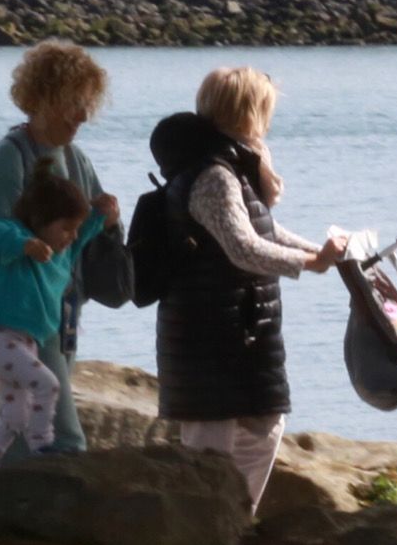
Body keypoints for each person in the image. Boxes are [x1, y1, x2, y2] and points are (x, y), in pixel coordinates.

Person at [145, 66, 344, 510]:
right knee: (209, 448)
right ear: (251, 110)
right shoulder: (212, 174)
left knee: (264, 426)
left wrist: (329, 255)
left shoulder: (234, 163)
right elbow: (242, 248)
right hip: (208, 332)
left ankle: (233, 527)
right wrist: (312, 263)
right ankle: (206, 537)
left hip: (243, 327)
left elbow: (264, 229)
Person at [0, 40, 129, 456]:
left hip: (61, 311)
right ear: (42, 99)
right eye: (73, 103)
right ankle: (50, 510)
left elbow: (85, 230)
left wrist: (109, 216)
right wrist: (18, 245)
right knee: (62, 438)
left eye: (87, 104)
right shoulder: (6, 160)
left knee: (26, 420)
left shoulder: (76, 159)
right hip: (15, 311)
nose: (83, 115)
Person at [0, 166, 106, 475]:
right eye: (66, 227)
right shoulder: (17, 238)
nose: (71, 236)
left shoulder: (62, 252)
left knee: (14, 415)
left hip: (25, 343)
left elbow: (85, 234)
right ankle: (42, 444)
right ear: (41, 221)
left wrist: (102, 215)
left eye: (75, 229)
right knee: (48, 384)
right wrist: (23, 245)